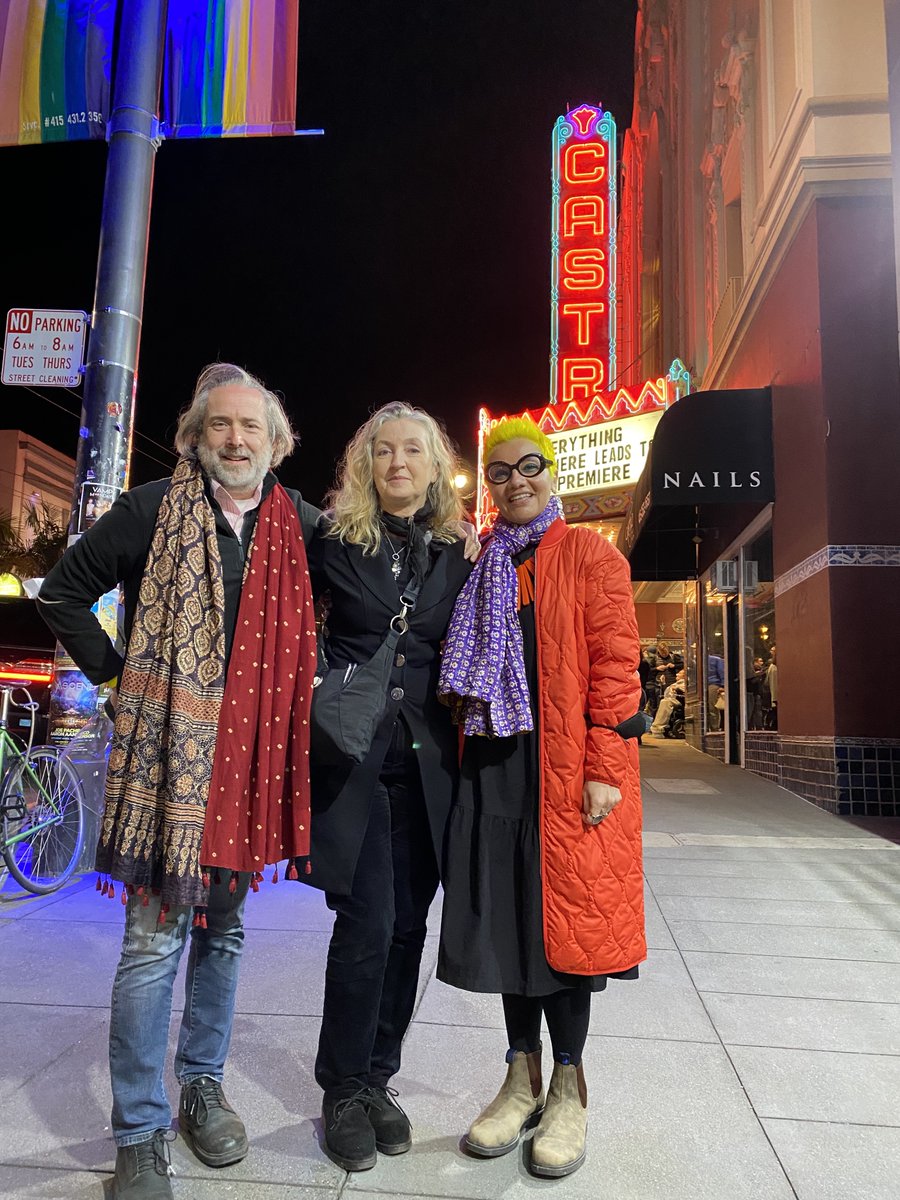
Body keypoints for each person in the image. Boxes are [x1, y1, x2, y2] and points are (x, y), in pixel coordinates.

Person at [38, 363, 320, 1200]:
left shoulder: (296, 520)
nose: (237, 440)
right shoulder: (152, 508)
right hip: (168, 764)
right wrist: (120, 681)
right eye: (221, 426)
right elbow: (62, 593)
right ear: (196, 437)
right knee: (154, 944)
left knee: (225, 931)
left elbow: (369, 578)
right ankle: (138, 1130)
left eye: (253, 429)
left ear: (277, 444)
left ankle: (202, 1085)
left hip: (246, 767)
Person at [437, 416, 645, 1179]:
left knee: (566, 931)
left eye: (530, 466)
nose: (516, 480)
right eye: (501, 471)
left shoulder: (590, 555)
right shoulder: (481, 561)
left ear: (551, 473)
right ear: (488, 485)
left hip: (563, 774)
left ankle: (568, 1085)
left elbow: (618, 669)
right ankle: (519, 1075)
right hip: (493, 767)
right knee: (510, 925)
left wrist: (603, 767)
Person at [302, 402, 474, 1172]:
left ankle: (378, 1079)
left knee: (409, 928)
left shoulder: (459, 553)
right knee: (367, 924)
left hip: (431, 769)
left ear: (436, 466)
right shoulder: (333, 540)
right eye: (384, 452)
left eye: (413, 451)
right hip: (356, 761)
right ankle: (341, 1086)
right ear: (365, 466)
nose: (398, 463)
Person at [648, 668, 686, 737]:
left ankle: (659, 727)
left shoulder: (684, 683)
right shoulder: (674, 684)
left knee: (665, 702)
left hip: (679, 700)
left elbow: (683, 692)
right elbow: (666, 694)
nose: (677, 674)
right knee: (664, 701)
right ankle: (657, 727)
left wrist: (677, 689)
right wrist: (663, 683)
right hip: (672, 699)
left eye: (680, 673)